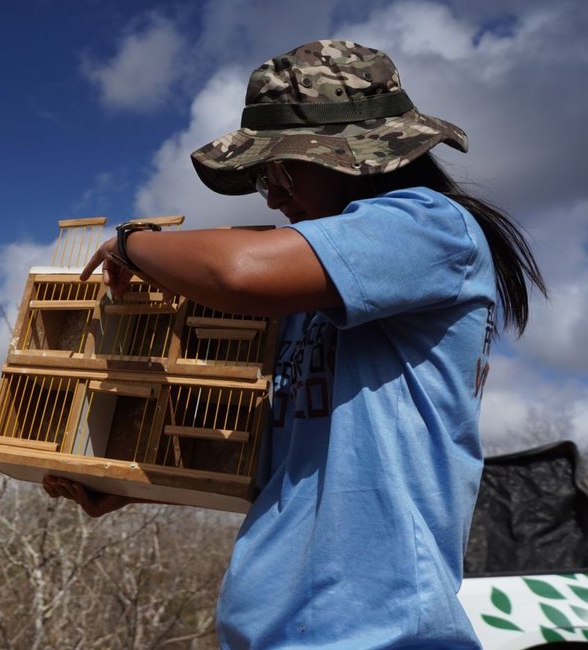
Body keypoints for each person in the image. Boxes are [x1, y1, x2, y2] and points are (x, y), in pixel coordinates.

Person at [42, 39, 547, 649]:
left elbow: (240, 273)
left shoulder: (430, 226)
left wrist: (132, 243)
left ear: (358, 157)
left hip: (376, 634)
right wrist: (124, 480)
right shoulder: (310, 314)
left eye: (278, 170)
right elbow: (284, 473)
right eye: (260, 177)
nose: (273, 196)